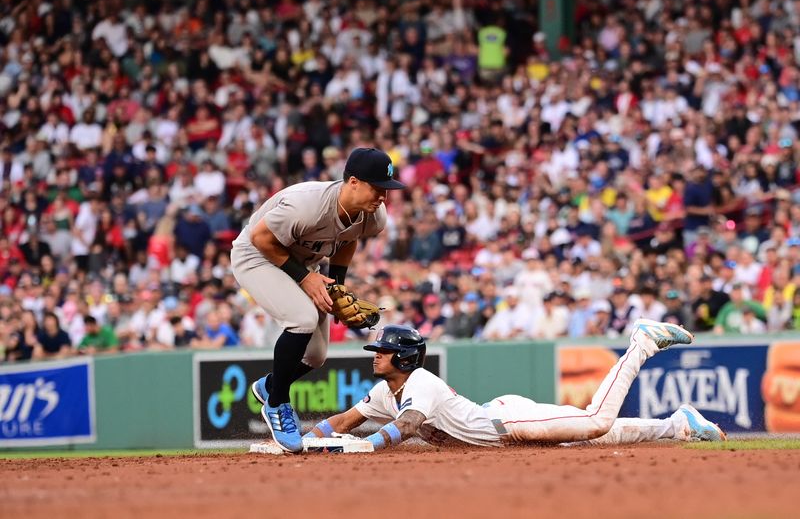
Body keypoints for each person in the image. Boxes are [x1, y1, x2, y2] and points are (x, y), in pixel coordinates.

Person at [303, 322, 726, 452]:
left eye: (382, 350)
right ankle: (678, 425)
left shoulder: (420, 382)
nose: (375, 355)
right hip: (503, 435)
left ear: (405, 357)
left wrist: (364, 445)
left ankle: (642, 344)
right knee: (592, 434)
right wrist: (300, 441)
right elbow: (343, 419)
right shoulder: (384, 392)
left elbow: (410, 424)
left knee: (596, 423)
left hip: (509, 422)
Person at [230, 147, 404, 452]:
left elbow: (348, 240)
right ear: (353, 182)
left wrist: (336, 285)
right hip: (256, 256)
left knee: (316, 355)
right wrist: (305, 277)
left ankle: (271, 384)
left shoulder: (373, 215)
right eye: (377, 188)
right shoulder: (306, 204)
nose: (383, 197)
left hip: (298, 262)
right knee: (302, 320)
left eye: (386, 190)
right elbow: (261, 239)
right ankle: (277, 402)